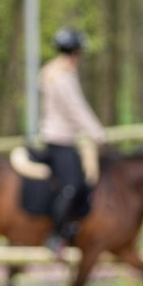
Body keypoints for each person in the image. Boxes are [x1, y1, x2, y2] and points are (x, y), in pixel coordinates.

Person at [38, 26, 106, 253]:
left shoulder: (56, 71)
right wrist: (97, 132)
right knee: (71, 185)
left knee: (83, 179)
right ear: (76, 51)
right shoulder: (62, 76)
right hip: (60, 138)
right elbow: (75, 108)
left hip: (65, 137)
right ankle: (56, 235)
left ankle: (70, 227)